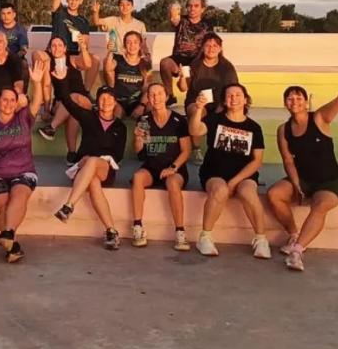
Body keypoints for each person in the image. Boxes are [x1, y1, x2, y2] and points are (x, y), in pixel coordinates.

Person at [267, 75, 338, 271]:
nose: (294, 102)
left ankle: (297, 251)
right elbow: (288, 160)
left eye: (299, 98)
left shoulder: (319, 118)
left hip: (329, 181)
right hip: (303, 179)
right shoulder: (283, 129)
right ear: (285, 103)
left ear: (306, 102)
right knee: (274, 194)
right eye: (290, 98)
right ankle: (293, 234)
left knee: (320, 206)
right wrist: (296, 184)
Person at [188, 84, 270, 259]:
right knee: (220, 190)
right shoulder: (214, 120)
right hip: (214, 172)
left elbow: (257, 161)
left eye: (238, 95)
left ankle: (261, 239)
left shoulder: (254, 127)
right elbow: (195, 130)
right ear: (224, 101)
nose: (234, 98)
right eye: (229, 95)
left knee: (248, 192)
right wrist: (199, 109)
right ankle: (205, 237)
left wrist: (234, 181)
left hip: (244, 174)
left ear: (246, 100)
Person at [0, 61, 45, 263]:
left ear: (16, 103)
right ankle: (12, 245)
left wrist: (37, 82)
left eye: (12, 100)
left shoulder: (23, 117)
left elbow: (37, 102)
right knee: (4, 206)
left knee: (19, 195)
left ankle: (8, 234)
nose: (8, 104)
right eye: (4, 100)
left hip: (24, 170)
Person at [50, 82, 126, 250]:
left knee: (92, 161)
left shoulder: (120, 126)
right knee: (93, 182)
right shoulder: (89, 117)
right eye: (102, 98)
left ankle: (69, 206)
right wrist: (62, 81)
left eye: (110, 98)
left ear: (115, 102)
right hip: (85, 168)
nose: (106, 102)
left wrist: (96, 159)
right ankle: (111, 231)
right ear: (97, 101)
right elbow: (68, 103)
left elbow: (118, 155)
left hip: (105, 168)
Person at [130, 83, 192, 250]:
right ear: (148, 99)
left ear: (166, 96)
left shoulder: (179, 121)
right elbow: (140, 153)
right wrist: (137, 139)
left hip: (174, 168)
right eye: (152, 94)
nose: (156, 97)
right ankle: (137, 227)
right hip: (152, 167)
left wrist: (173, 167)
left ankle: (180, 232)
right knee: (137, 178)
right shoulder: (144, 120)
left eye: (159, 94)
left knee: (172, 183)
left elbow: (186, 151)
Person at [38, 0, 100, 90]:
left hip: (72, 53)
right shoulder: (59, 12)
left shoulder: (83, 21)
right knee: (37, 55)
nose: (73, 2)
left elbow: (86, 45)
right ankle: (44, 95)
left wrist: (82, 44)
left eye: (76, 0)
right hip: (54, 51)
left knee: (94, 59)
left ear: (81, 1)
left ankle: (86, 91)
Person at [179, 32, 239, 164]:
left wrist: (222, 106)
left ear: (220, 48)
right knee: (197, 111)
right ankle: (196, 149)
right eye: (208, 45)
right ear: (202, 47)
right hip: (196, 101)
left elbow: (233, 88)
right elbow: (183, 88)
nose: (211, 48)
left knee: (226, 114)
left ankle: (223, 151)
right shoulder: (195, 64)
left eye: (215, 46)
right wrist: (182, 78)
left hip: (219, 102)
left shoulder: (227, 67)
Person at [37, 36, 93, 166]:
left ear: (65, 48)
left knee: (73, 98)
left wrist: (83, 48)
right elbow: (46, 86)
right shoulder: (49, 65)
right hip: (61, 103)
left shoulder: (72, 59)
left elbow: (88, 65)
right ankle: (72, 154)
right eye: (53, 46)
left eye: (60, 45)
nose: (57, 48)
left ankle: (52, 127)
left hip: (82, 99)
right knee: (73, 112)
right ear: (49, 49)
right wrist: (47, 109)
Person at [160, 0, 213, 106]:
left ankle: (196, 101)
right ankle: (170, 95)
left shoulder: (207, 24)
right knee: (165, 63)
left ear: (202, 9)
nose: (192, 8)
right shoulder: (181, 20)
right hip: (178, 59)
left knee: (187, 85)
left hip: (196, 60)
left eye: (196, 6)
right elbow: (174, 17)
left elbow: (212, 43)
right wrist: (174, 7)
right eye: (189, 6)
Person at [104, 31, 152, 119]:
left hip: (137, 102)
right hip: (119, 101)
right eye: (128, 42)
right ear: (124, 45)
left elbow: (146, 88)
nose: (132, 45)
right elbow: (108, 69)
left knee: (151, 106)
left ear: (140, 45)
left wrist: (142, 105)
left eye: (135, 42)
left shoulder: (145, 63)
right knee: (116, 115)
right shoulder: (118, 59)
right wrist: (110, 51)